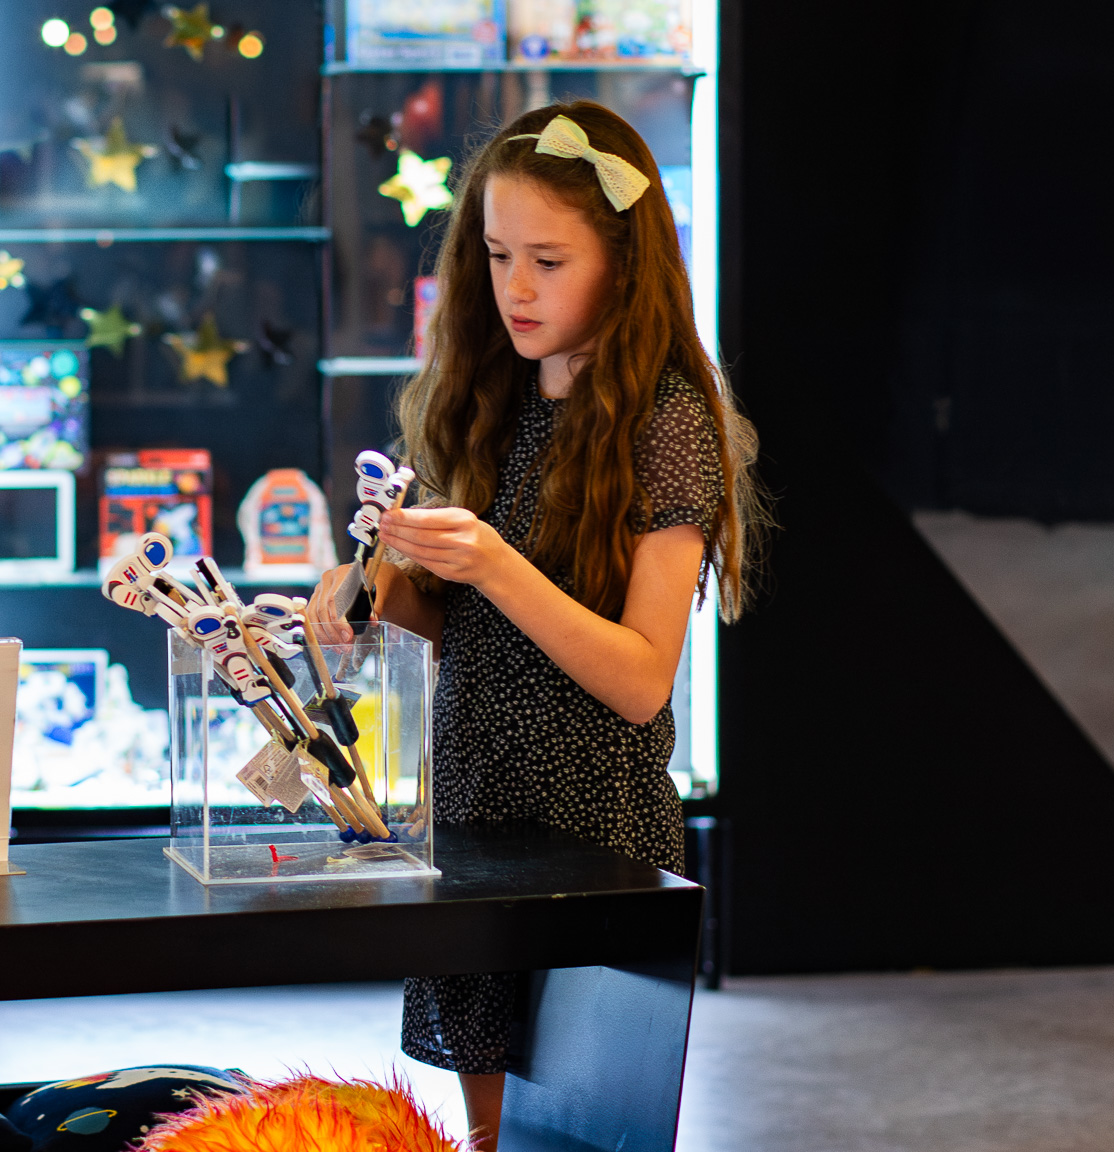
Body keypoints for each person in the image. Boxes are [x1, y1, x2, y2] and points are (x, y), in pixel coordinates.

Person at [307, 100, 768, 1151]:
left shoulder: (668, 425)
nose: (514, 288)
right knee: (487, 1139)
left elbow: (642, 678)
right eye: (497, 254)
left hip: (594, 843)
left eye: (547, 261)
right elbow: (444, 620)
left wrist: (496, 564)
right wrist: (369, 594)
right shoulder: (483, 401)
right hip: (472, 821)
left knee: (570, 1137)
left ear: (623, 263)